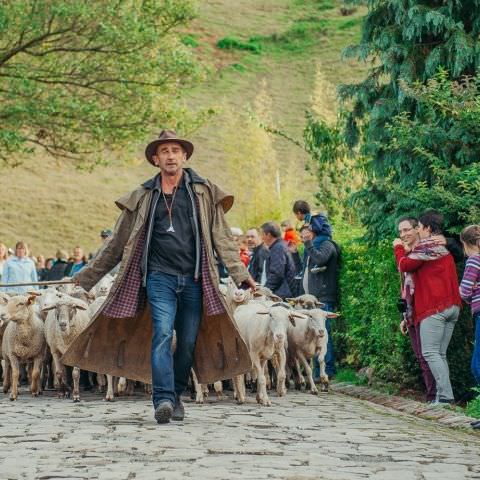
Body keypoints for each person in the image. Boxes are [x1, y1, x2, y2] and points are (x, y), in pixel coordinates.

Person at [65, 129, 255, 424]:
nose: (170, 156)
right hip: (158, 278)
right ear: (156, 159)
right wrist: (86, 277)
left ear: (185, 156)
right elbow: (116, 242)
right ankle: (163, 399)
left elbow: (222, 237)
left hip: (194, 279)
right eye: (164, 151)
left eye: (175, 151)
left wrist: (240, 275)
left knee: (189, 342)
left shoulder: (203, 192)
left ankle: (176, 394)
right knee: (163, 334)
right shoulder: (142, 196)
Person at [394, 210, 461, 406]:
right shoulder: (443, 247)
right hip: (452, 307)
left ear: (428, 228)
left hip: (435, 308)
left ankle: (446, 397)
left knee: (430, 353)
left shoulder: (427, 246)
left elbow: (404, 265)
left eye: (420, 228)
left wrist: (398, 248)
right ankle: (442, 398)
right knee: (439, 354)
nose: (418, 231)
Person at [394, 216, 437, 402]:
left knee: (429, 355)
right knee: (421, 356)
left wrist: (398, 250)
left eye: (406, 230)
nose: (403, 234)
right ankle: (432, 396)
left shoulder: (421, 251)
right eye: (400, 231)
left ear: (416, 230)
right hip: (412, 312)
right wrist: (405, 316)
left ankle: (437, 397)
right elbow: (406, 288)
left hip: (426, 310)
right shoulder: (407, 253)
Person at [299, 223, 339, 379]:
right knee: (313, 336)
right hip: (311, 300)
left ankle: (327, 371)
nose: (304, 237)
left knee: (323, 335)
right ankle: (317, 371)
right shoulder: (313, 246)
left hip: (322, 299)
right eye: (302, 235)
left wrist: (308, 244)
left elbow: (320, 259)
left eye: (307, 233)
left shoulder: (327, 245)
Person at [260, 222, 296, 299]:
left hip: (281, 296)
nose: (261, 238)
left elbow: (277, 274)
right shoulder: (278, 246)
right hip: (282, 293)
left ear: (268, 235)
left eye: (262, 234)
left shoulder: (278, 248)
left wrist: (264, 291)